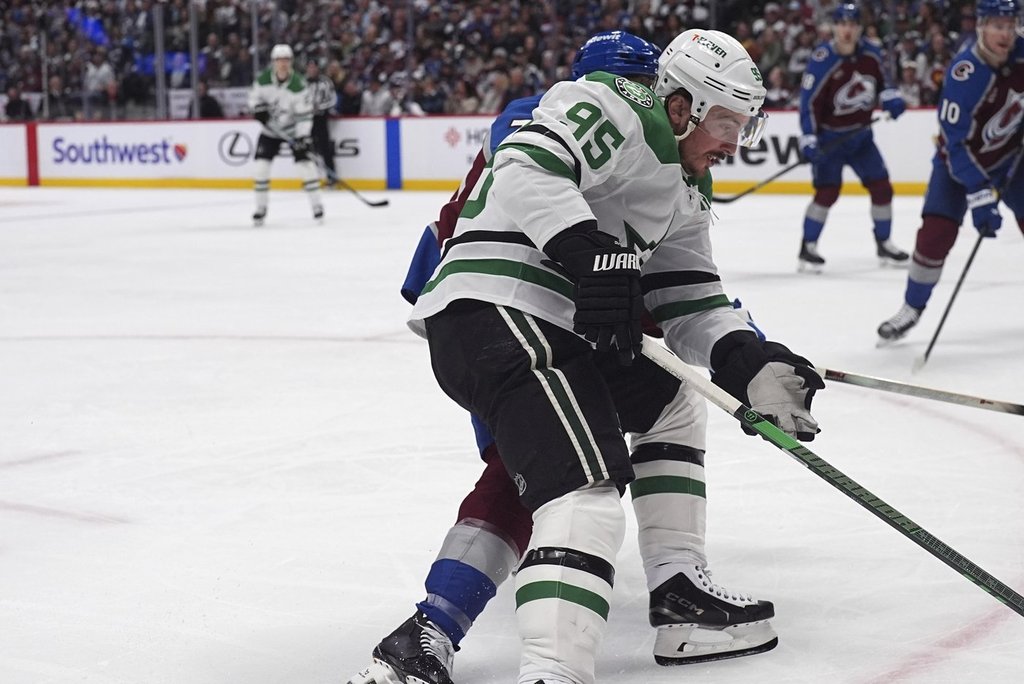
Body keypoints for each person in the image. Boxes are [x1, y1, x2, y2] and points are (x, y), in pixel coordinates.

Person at [361, 28, 823, 684]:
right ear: (681, 104)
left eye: (744, 127)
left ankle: (679, 591)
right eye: (725, 122)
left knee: (670, 401)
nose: (733, 143)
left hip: (559, 327)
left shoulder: (688, 187)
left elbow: (688, 295)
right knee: (582, 486)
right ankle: (550, 670)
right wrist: (589, 253)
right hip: (503, 308)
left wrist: (746, 359)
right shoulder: (617, 104)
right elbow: (525, 163)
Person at [877, 0, 1024, 342]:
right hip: (956, 167)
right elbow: (955, 144)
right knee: (934, 236)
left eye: (1010, 25)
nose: (1005, 33)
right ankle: (912, 307)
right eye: (997, 25)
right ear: (981, 26)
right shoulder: (965, 74)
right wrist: (980, 194)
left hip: (1011, 159)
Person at [796, 2, 910, 272]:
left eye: (852, 25)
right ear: (834, 27)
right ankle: (807, 248)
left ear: (859, 28)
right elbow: (808, 103)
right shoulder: (822, 60)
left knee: (882, 188)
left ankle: (884, 243)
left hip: (861, 138)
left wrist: (891, 98)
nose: (847, 30)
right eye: (842, 24)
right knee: (827, 193)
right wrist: (809, 136)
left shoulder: (872, 53)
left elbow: (885, 83)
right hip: (830, 141)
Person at [248, 43, 323, 226]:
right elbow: (253, 99)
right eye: (279, 60)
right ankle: (260, 209)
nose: (283, 64)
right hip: (270, 131)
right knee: (260, 168)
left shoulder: (299, 85)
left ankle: (317, 206)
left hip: (293, 131)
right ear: (273, 62)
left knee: (306, 167)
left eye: (286, 60)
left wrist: (302, 137)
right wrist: (258, 109)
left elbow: (305, 116)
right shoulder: (263, 80)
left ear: (291, 62)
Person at [305, 59, 340, 185]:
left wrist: (319, 107)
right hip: (306, 119)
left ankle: (332, 177)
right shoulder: (303, 83)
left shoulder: (325, 82)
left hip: (320, 118)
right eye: (309, 67)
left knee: (325, 148)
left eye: (314, 67)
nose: (311, 69)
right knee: (308, 149)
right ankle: (311, 177)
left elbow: (333, 99)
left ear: (318, 68)